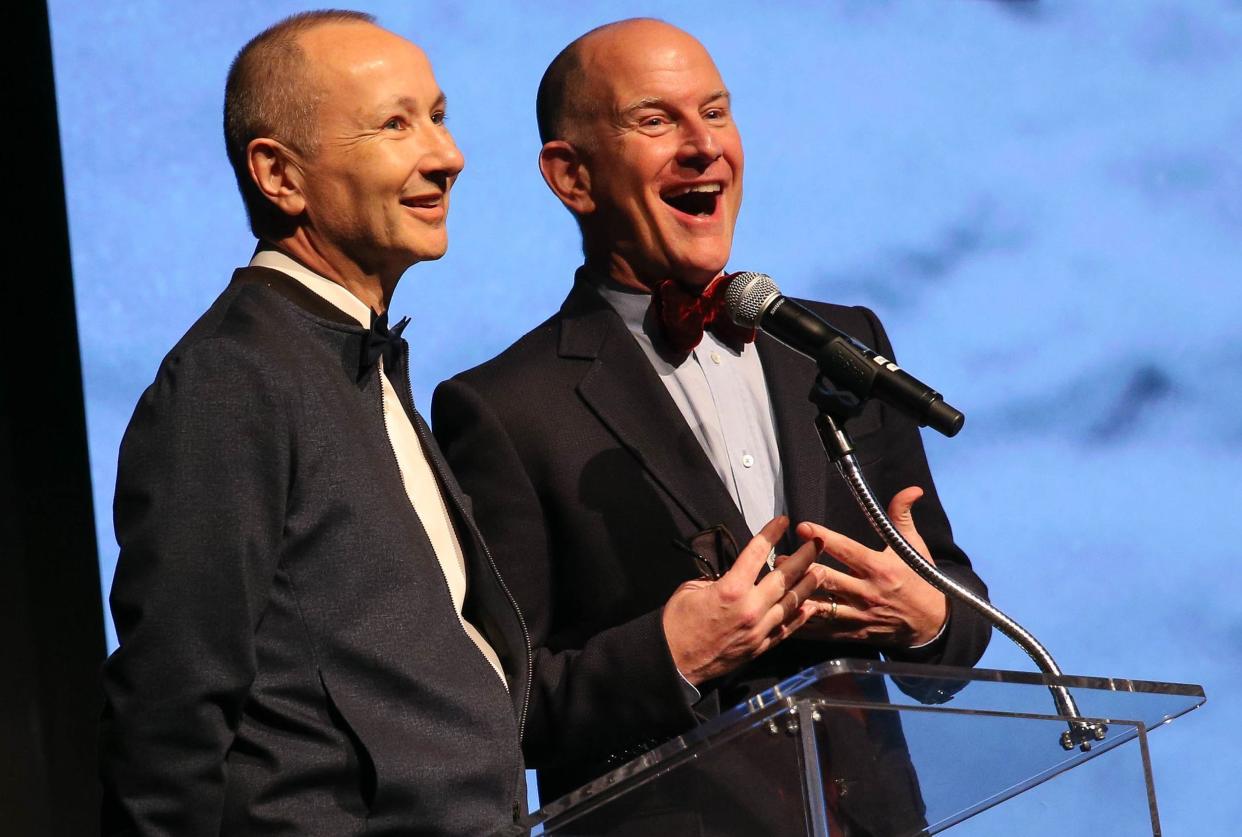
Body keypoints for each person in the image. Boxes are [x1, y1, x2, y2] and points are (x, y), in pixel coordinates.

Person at [431, 17, 993, 815]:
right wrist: (670, 653)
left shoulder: (840, 346)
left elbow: (960, 619)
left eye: (717, 112)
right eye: (655, 120)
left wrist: (929, 614)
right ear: (571, 177)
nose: (703, 146)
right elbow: (500, 705)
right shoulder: (504, 409)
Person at [101, 11, 526, 835]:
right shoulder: (231, 378)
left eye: (438, 116)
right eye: (395, 124)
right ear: (280, 175)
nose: (447, 155)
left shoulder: (350, 358)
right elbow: (168, 714)